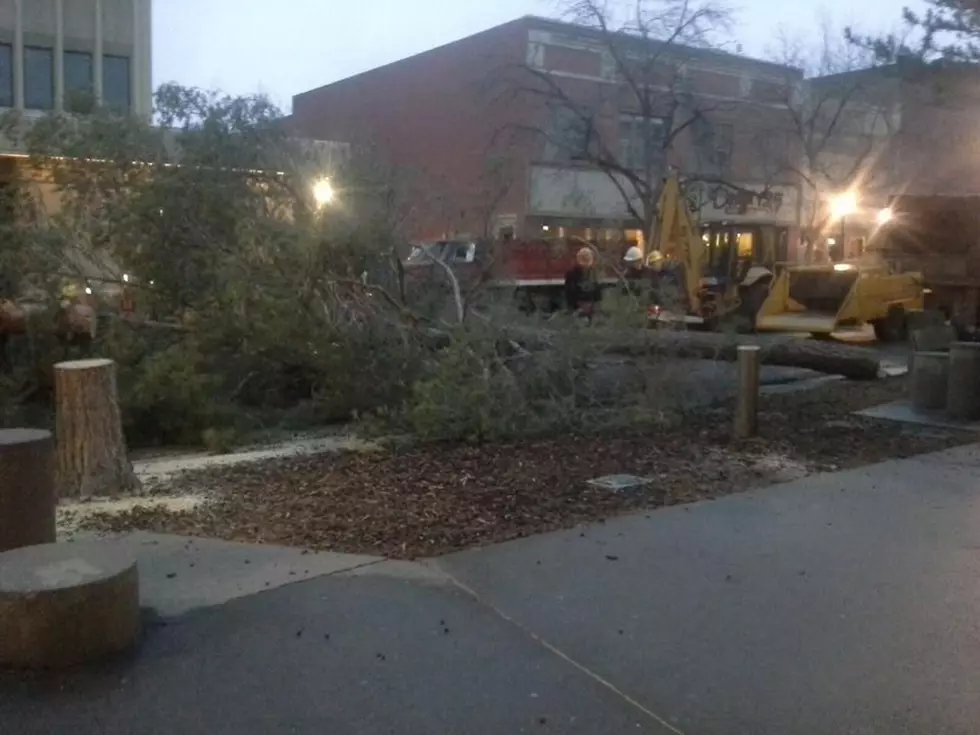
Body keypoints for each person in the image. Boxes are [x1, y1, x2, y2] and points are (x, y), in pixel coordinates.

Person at [564, 246, 602, 321]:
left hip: (591, 307)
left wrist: (595, 309)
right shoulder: (572, 274)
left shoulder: (593, 273)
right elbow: (569, 293)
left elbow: (597, 291)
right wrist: (576, 308)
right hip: (579, 307)